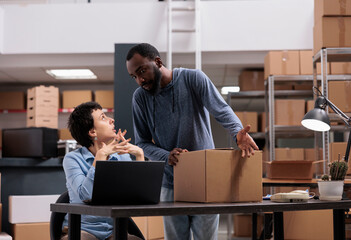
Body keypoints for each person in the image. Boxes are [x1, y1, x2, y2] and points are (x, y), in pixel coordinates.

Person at [126, 43, 259, 240]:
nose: (140, 80)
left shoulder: (192, 78)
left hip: (205, 179)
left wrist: (236, 131)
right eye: (134, 77)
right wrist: (166, 155)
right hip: (170, 183)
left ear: (158, 62)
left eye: (142, 71)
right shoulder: (140, 98)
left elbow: (221, 110)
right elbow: (143, 143)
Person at [61, 101, 144, 240]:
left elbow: (137, 195)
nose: (112, 120)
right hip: (82, 230)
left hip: (114, 230)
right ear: (92, 131)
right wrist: (100, 156)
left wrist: (139, 156)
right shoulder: (72, 159)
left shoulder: (121, 156)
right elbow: (86, 195)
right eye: (103, 118)